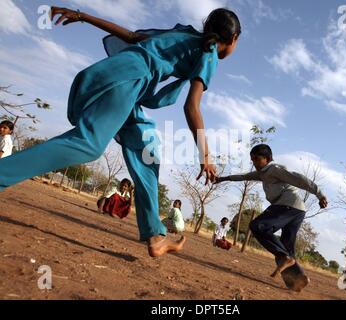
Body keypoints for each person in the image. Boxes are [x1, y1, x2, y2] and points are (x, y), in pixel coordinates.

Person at [0, 6, 241, 258]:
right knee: (88, 144)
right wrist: (205, 154)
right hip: (130, 78)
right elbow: (192, 106)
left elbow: (131, 36)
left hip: (130, 82)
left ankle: (155, 236)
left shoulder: (185, 35)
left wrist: (82, 16)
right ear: (233, 40)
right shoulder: (209, 51)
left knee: (147, 150)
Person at [215, 144, 328, 278]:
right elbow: (244, 176)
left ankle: (285, 258)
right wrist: (222, 179)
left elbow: (299, 179)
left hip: (287, 205)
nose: (254, 163)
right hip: (298, 210)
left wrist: (319, 194)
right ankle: (297, 280)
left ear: (267, 158)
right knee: (285, 246)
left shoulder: (274, 169)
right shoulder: (263, 173)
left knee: (258, 226)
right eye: (252, 160)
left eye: (256, 159)